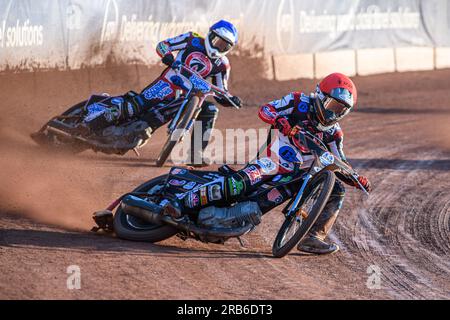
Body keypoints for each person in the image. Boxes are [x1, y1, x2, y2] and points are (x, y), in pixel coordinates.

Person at [164, 73, 372, 255]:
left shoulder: (334, 134)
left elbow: (339, 160)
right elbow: (266, 110)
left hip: (295, 178)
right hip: (270, 162)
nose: (333, 114)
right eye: (332, 106)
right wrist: (283, 122)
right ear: (320, 95)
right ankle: (180, 203)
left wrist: (355, 177)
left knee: (336, 188)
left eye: (341, 111)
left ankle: (313, 237)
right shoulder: (298, 101)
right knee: (239, 185)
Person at [81, 20, 243, 166]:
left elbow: (222, 90)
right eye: (217, 41)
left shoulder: (223, 65)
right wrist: (168, 57)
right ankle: (90, 123)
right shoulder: (192, 39)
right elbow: (163, 45)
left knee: (210, 110)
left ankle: (195, 154)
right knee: (134, 107)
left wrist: (230, 99)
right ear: (210, 35)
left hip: (191, 96)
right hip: (168, 84)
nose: (218, 47)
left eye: (224, 46)